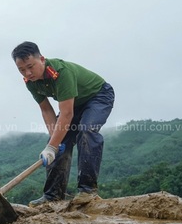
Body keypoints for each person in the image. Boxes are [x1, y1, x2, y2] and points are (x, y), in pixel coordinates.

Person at [11, 41, 115, 207]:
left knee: (86, 131)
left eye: (31, 66)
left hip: (97, 97)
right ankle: (52, 196)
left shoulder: (60, 72)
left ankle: (87, 191)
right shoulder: (30, 82)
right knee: (58, 142)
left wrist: (52, 146)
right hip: (73, 104)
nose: (28, 73)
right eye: (22, 69)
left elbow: (66, 114)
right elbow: (46, 110)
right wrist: (54, 143)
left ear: (42, 59)